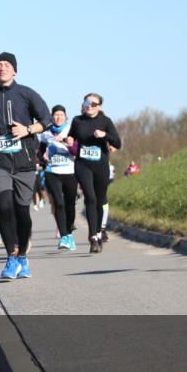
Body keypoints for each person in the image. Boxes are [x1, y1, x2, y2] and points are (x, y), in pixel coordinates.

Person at [0, 52, 51, 279]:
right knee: (4, 207)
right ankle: (11, 257)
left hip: (25, 162)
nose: (2, 67)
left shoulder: (26, 94)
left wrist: (27, 130)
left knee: (22, 213)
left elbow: (45, 120)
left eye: (6, 65)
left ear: (14, 70)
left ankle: (23, 256)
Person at [65, 93, 121, 254]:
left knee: (100, 199)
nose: (90, 106)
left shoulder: (105, 121)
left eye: (94, 104)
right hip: (83, 164)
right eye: (87, 102)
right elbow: (72, 136)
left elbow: (118, 142)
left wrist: (105, 135)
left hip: (101, 165)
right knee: (90, 197)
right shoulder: (78, 120)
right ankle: (93, 237)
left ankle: (98, 232)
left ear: (99, 107)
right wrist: (69, 140)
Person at [39, 105, 79, 250]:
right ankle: (64, 236)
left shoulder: (71, 130)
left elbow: (77, 150)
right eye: (56, 115)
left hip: (70, 172)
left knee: (70, 205)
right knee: (58, 203)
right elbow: (40, 152)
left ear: (65, 117)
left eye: (61, 114)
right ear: (52, 117)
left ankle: (69, 233)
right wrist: (42, 158)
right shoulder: (45, 133)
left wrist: (67, 144)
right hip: (52, 171)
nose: (58, 117)